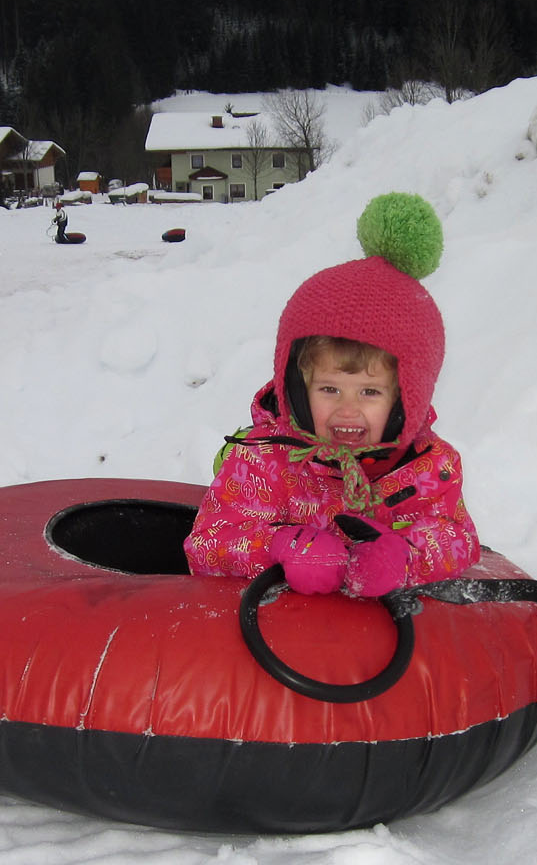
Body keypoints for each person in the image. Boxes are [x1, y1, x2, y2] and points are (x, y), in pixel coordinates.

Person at [185, 193, 478, 599]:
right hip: (278, 642)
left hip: (377, 652)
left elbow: (457, 538)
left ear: (405, 397)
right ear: (296, 386)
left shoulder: (428, 468)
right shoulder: (263, 460)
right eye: (329, 389)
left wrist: (405, 556)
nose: (348, 408)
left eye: (370, 392)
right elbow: (207, 543)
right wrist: (279, 547)